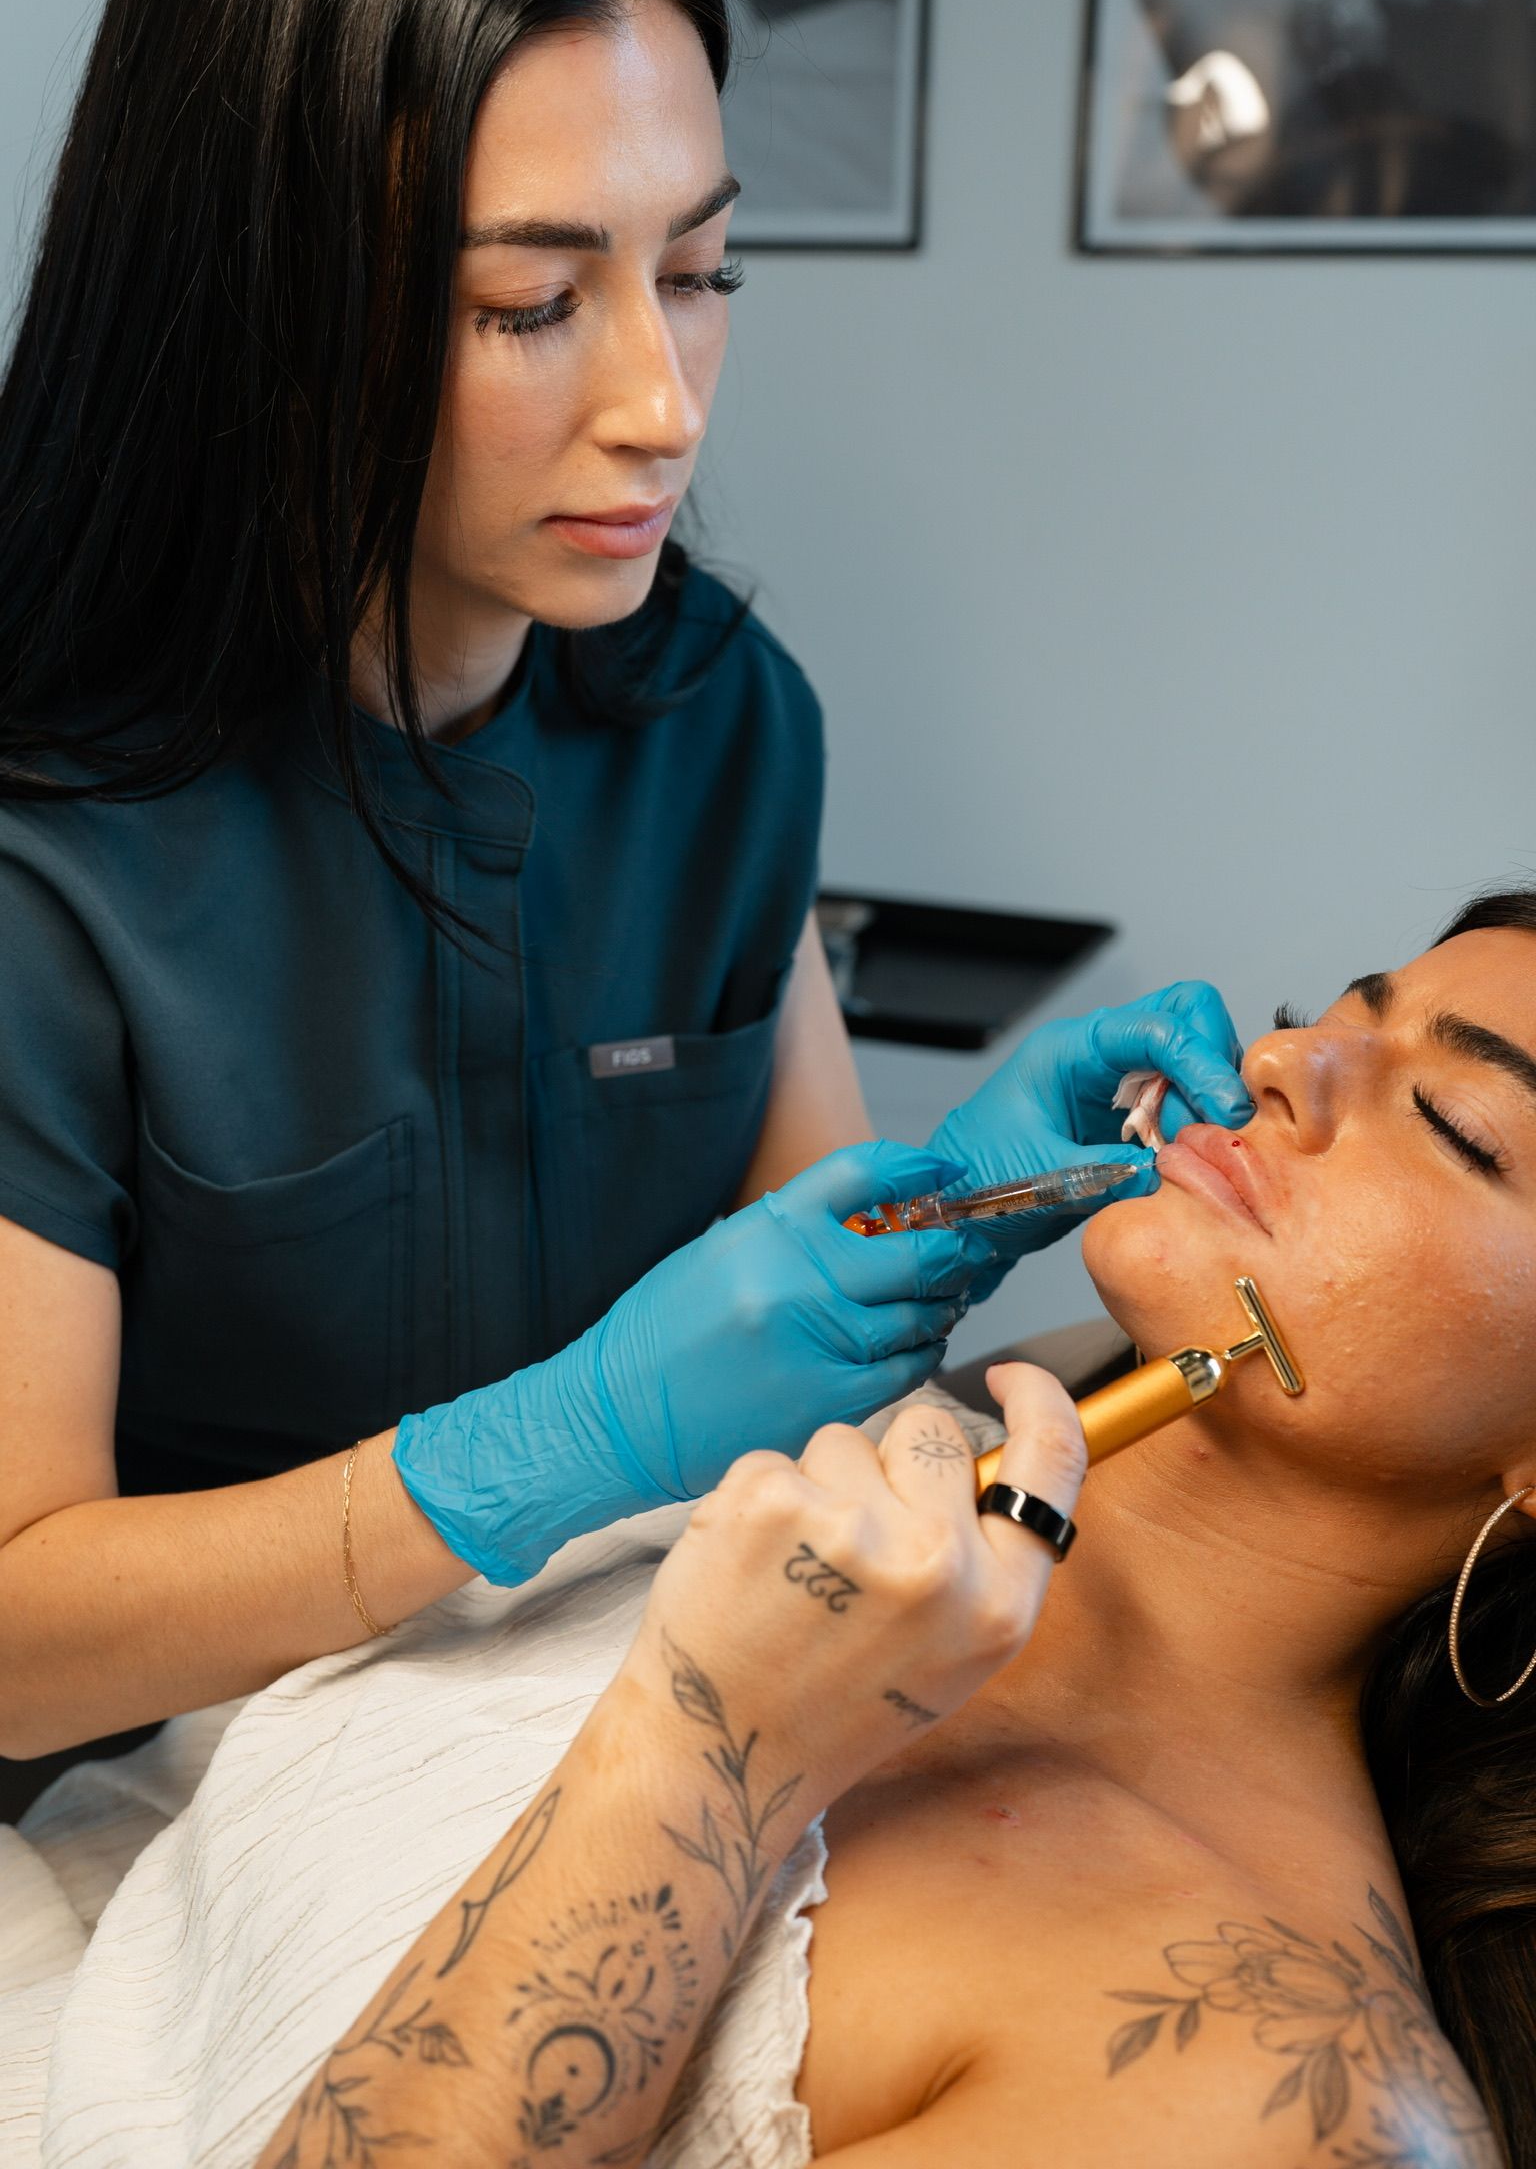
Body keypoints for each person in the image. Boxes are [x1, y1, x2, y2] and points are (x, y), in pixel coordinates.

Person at [0, 0, 1251, 1767]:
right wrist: (537, 1454)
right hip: (141, 1837)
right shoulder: (53, 851)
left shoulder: (719, 722)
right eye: (531, 304)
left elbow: (837, 1357)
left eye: (698, 273)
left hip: (594, 1748)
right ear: (255, 294)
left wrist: (969, 1216)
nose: (663, 402)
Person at [15, 888, 1534, 2167]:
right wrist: (551, 1436)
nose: (1281, 1061)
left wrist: (711, 1757)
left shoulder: (1270, 2092)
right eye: (1341, 1007)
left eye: (1453, 1120)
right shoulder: (915, 1426)